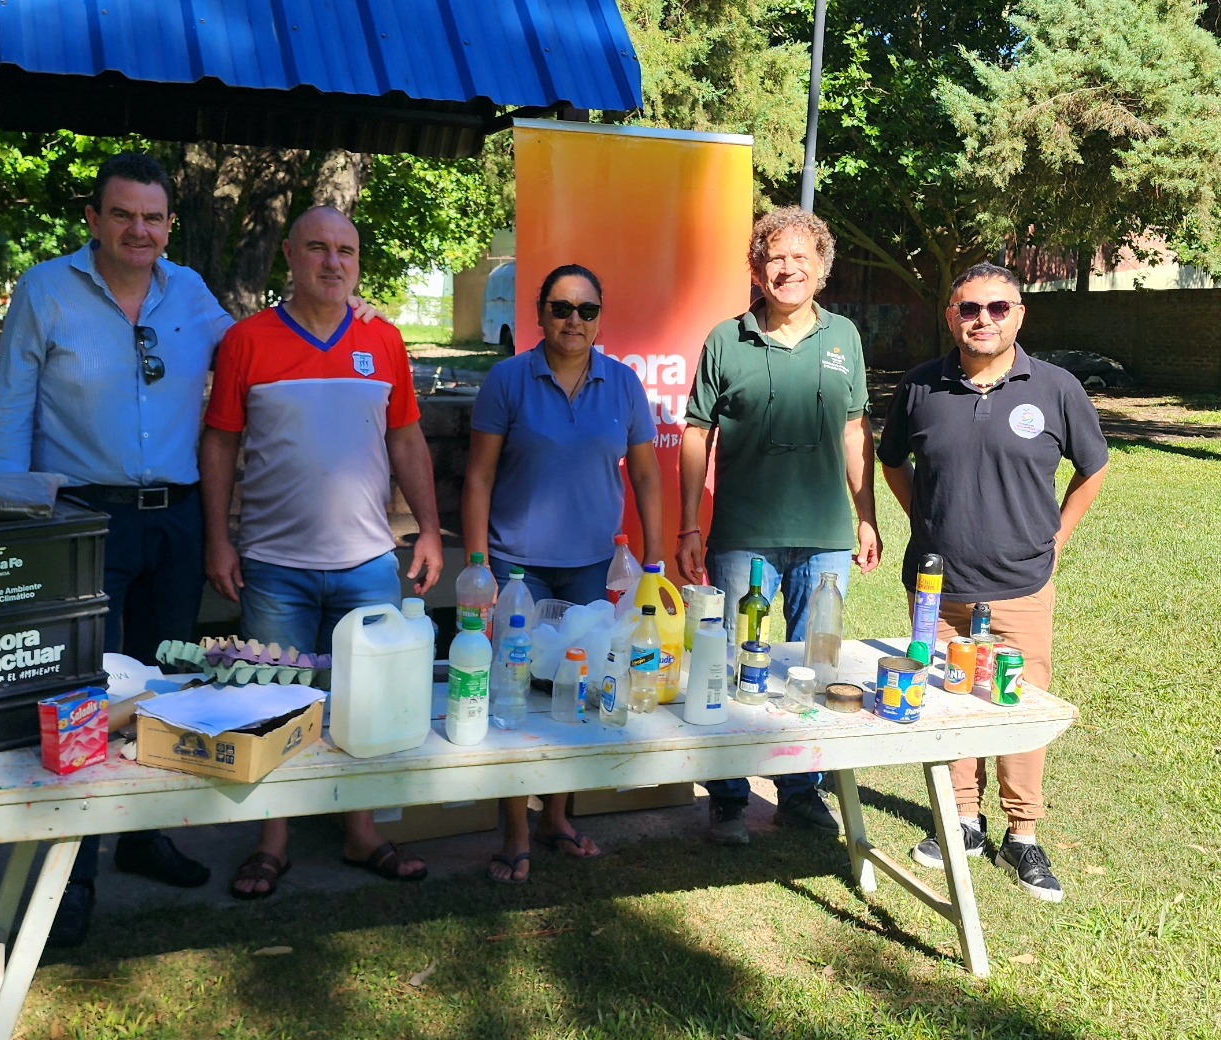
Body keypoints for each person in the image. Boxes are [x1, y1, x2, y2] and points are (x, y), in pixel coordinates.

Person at [0, 152, 233, 947]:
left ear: (170, 225)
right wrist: (15, 517)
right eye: (123, 214)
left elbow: (257, 359)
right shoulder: (46, 289)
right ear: (93, 219)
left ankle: (145, 835)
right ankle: (75, 871)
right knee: (83, 692)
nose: (140, 230)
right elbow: (12, 410)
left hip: (174, 517)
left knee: (163, 682)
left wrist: (342, 310)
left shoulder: (191, 293)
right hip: (83, 516)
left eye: (154, 217)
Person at [200, 206, 445, 900]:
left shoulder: (383, 339)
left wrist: (428, 528)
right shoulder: (247, 341)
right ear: (289, 255)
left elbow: (406, 440)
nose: (333, 262)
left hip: (368, 561)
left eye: (346, 250)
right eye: (317, 248)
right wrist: (218, 537)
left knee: (364, 707)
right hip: (275, 564)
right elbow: (219, 441)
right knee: (274, 704)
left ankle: (360, 831)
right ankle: (272, 841)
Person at [879, 262, 1108, 903]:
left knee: (1017, 707)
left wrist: (1056, 540)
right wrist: (924, 522)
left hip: (1020, 585)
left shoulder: (1056, 388)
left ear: (1019, 315)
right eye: (969, 308)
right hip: (936, 589)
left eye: (998, 308)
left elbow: (1093, 469)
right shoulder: (922, 387)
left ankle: (1024, 833)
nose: (983, 319)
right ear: (951, 316)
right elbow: (892, 461)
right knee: (949, 702)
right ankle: (963, 820)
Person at [676, 206, 882, 845]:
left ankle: (800, 792)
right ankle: (730, 797)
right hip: (743, 533)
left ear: (822, 269)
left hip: (825, 537)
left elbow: (854, 429)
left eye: (801, 258)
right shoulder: (724, 339)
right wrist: (689, 525)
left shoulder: (844, 337)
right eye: (774, 258)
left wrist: (866, 513)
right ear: (756, 269)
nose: (787, 269)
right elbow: (697, 434)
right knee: (735, 661)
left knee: (815, 667)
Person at [462, 263, 664, 884]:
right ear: (540, 315)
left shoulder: (624, 385)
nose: (574, 321)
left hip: (588, 572)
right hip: (515, 568)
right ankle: (515, 829)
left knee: (577, 698)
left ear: (600, 319)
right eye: (561, 308)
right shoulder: (508, 380)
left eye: (587, 310)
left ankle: (557, 815)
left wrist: (653, 567)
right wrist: (479, 567)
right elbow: (478, 478)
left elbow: (647, 476)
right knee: (512, 696)